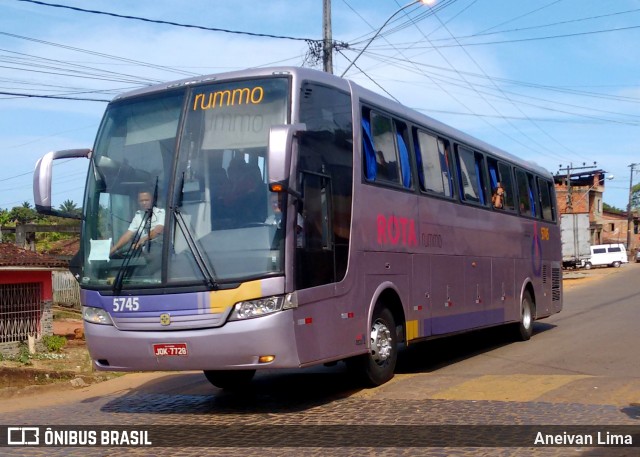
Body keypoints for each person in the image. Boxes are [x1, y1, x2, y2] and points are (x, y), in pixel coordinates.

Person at [110, 190, 165, 255]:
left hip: (162, 254)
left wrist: (142, 240)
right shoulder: (138, 216)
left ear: (152, 200)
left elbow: (158, 229)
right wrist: (113, 250)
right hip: (147, 255)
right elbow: (128, 235)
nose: (144, 203)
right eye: (141, 201)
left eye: (147, 200)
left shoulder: (161, 213)